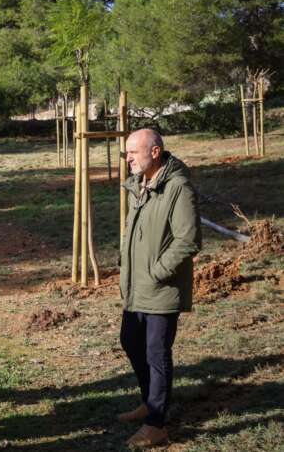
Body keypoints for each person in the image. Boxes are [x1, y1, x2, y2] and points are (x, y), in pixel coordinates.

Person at [117, 129, 201, 448]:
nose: (128, 159)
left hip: (160, 287)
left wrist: (158, 271)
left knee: (156, 353)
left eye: (133, 153)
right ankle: (149, 401)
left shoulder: (178, 187)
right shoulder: (137, 186)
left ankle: (157, 424)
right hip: (136, 287)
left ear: (154, 153)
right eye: (126, 153)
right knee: (130, 340)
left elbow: (188, 240)